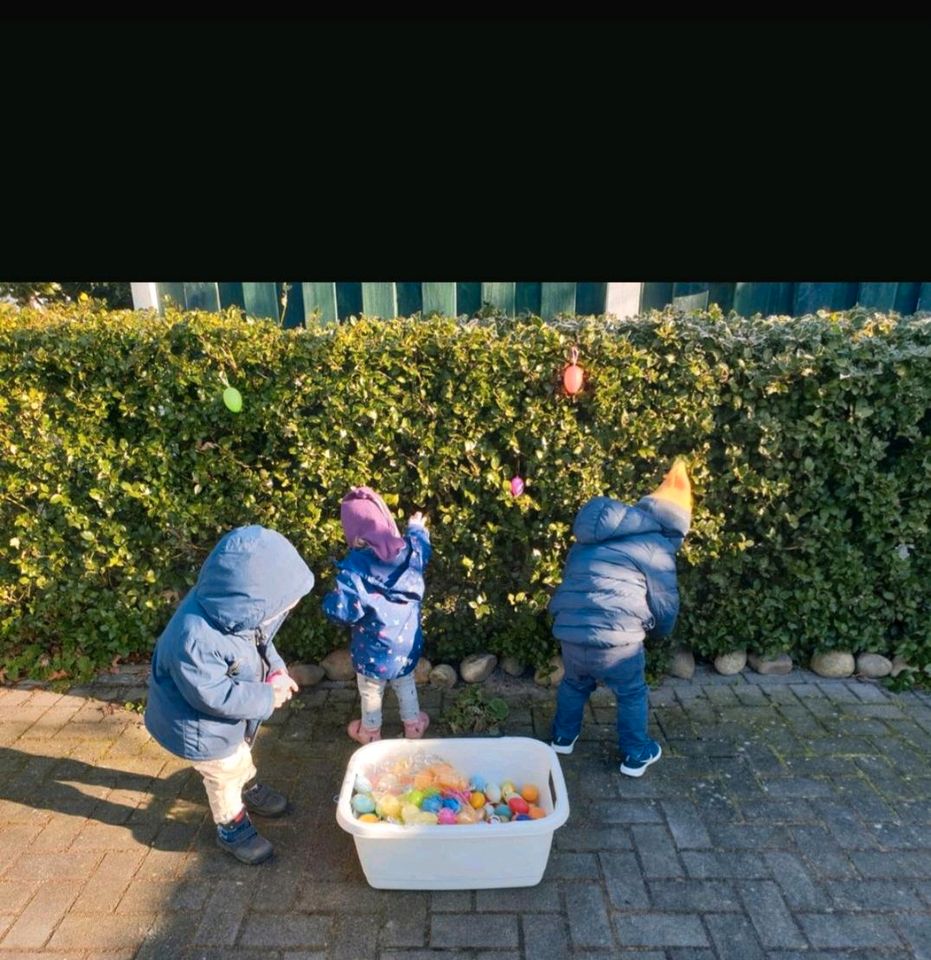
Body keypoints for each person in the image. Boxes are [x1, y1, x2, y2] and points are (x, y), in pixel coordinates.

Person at [145, 525, 313, 864]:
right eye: (280, 609)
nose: (283, 614)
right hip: (197, 727)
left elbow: (262, 643)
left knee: (238, 756)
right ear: (252, 601)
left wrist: (276, 669)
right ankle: (231, 826)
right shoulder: (194, 639)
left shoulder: (238, 611)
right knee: (223, 774)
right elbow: (213, 696)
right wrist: (267, 696)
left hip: (225, 723)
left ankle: (245, 783)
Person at [548, 460, 692, 776]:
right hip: (618, 640)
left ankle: (562, 737)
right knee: (631, 692)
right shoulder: (656, 547)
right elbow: (665, 604)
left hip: (571, 631)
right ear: (675, 526)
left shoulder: (588, 541)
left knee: (574, 683)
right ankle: (636, 754)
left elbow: (573, 583)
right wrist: (659, 634)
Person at [323, 486, 431, 743]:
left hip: (371, 649)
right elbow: (422, 547)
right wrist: (416, 527)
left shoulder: (353, 572)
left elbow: (343, 612)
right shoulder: (409, 554)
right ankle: (413, 726)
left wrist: (329, 602)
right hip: (405, 645)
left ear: (356, 536)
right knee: (405, 683)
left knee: (371, 689)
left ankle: (370, 733)